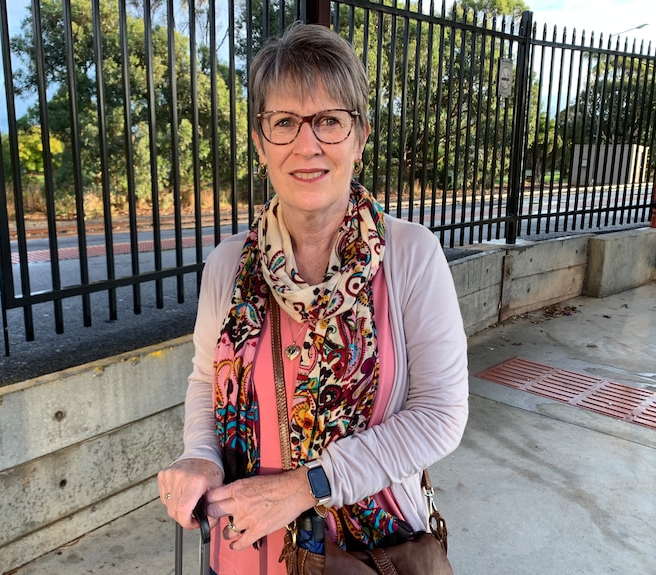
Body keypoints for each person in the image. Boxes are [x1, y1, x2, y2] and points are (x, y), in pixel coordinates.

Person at [157, 22, 468, 575]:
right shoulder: (228, 265)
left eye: (329, 120)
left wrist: (308, 486)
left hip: (369, 556)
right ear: (260, 142)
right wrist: (200, 457)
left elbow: (440, 415)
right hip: (241, 553)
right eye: (284, 122)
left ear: (360, 136)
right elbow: (206, 382)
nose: (308, 144)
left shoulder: (411, 256)